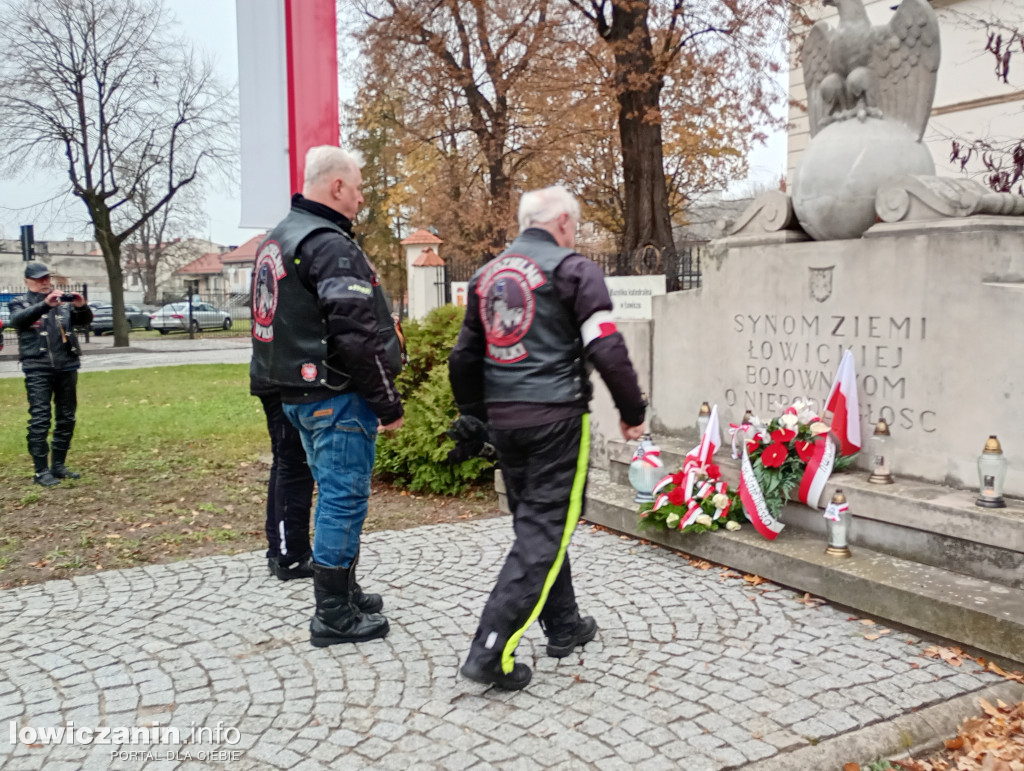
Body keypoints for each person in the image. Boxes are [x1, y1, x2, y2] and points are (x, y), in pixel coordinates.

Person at [448, 185, 647, 690]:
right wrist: (632, 411)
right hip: (557, 418)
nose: (573, 235)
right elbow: (605, 345)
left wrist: (479, 415)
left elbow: (463, 358)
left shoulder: (486, 276)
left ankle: (564, 624)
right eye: (574, 226)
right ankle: (490, 650)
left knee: (537, 526)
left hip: (508, 421)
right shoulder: (573, 269)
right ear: (561, 221)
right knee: (544, 532)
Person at [249, 145, 404, 647]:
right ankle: (332, 613)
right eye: (357, 187)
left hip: (298, 392)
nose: (361, 198)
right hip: (336, 394)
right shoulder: (327, 242)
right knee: (343, 498)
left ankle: (346, 589)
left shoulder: (279, 238)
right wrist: (387, 403)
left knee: (336, 495)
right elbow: (355, 334)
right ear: (337, 186)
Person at [9, 262, 92, 487]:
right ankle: (40, 470)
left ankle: (58, 465)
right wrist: (45, 304)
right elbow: (18, 320)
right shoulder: (20, 302)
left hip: (66, 365)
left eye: (46, 278)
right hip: (37, 367)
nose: (44, 282)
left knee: (66, 416)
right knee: (40, 418)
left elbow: (84, 322)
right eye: (39, 279)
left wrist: (81, 306)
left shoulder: (62, 304)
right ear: (28, 281)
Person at [250, 372, 316, 581]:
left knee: (285, 462)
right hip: (286, 380)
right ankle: (292, 554)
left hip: (274, 377)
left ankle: (280, 548)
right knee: (294, 465)